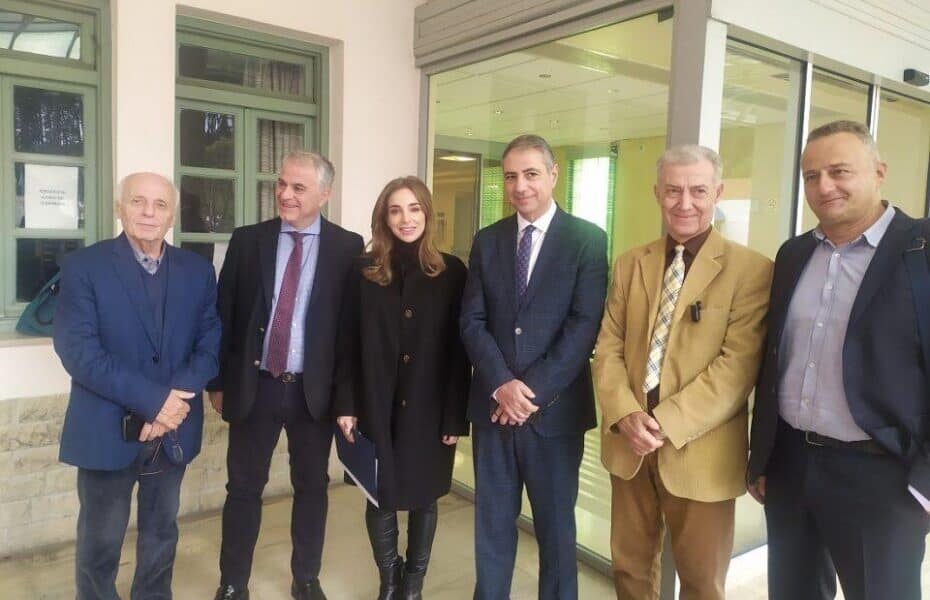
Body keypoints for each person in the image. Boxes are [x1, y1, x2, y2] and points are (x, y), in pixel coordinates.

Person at [748, 120, 930, 600]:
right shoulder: (794, 254)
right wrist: (763, 457)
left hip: (883, 477)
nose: (824, 186)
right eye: (811, 176)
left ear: (879, 171)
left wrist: (924, 485)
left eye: (839, 171)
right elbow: (774, 360)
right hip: (792, 466)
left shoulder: (922, 249)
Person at [592, 145, 772, 599]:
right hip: (629, 443)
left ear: (718, 193)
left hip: (701, 451)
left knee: (701, 582)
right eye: (673, 190)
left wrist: (662, 422)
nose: (684, 202)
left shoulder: (751, 270)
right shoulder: (631, 263)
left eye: (698, 191)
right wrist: (625, 414)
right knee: (630, 571)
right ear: (657, 193)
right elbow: (608, 346)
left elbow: (736, 368)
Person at [54, 172, 221, 599]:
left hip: (173, 431)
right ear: (119, 207)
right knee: (100, 542)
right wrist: (156, 402)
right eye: (137, 201)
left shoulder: (198, 271)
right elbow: (79, 352)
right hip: (107, 430)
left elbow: (210, 345)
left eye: (160, 204)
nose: (149, 212)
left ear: (172, 216)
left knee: (161, 535)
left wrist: (169, 409)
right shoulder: (84, 267)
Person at [209, 151, 364, 600]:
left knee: (312, 488)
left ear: (324, 194)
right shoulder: (248, 240)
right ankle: (233, 582)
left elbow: (350, 332)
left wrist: (347, 398)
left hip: (312, 393)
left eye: (298, 187)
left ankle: (306, 578)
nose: (285, 194)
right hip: (254, 386)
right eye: (281, 184)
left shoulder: (347, 247)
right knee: (242, 489)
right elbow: (224, 315)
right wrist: (217, 382)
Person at [460, 134, 608, 599]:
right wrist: (502, 384)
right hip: (493, 412)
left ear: (553, 175)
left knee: (557, 533)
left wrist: (529, 393)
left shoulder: (587, 240)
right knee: (492, 528)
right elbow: (471, 320)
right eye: (510, 176)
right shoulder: (487, 241)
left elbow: (584, 326)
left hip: (555, 416)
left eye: (530, 174)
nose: (520, 186)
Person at [334, 176, 470, 600]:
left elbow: (459, 352)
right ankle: (389, 582)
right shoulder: (363, 270)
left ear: (427, 214)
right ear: (383, 217)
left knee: (426, 497)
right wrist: (346, 403)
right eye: (395, 210)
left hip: (431, 408)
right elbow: (346, 341)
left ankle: (413, 585)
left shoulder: (452, 272)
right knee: (380, 495)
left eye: (414, 209)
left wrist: (455, 417)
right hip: (376, 402)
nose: (405, 219)